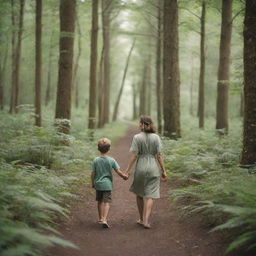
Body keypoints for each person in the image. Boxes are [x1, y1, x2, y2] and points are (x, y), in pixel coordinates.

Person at [125, 116, 167, 229]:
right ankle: (146, 221)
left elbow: (134, 156)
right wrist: (164, 171)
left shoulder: (137, 137)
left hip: (141, 167)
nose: (139, 125)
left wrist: (128, 171)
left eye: (140, 123)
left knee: (139, 194)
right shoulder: (156, 137)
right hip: (153, 167)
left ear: (143, 124)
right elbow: (159, 155)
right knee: (151, 195)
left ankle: (141, 218)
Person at [91, 138, 128, 228]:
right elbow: (118, 171)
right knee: (106, 202)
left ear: (98, 149)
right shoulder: (111, 160)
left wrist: (93, 183)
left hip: (98, 184)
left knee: (99, 201)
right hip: (107, 185)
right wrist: (124, 176)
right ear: (109, 149)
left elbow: (93, 173)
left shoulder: (96, 160)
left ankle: (100, 218)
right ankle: (104, 219)